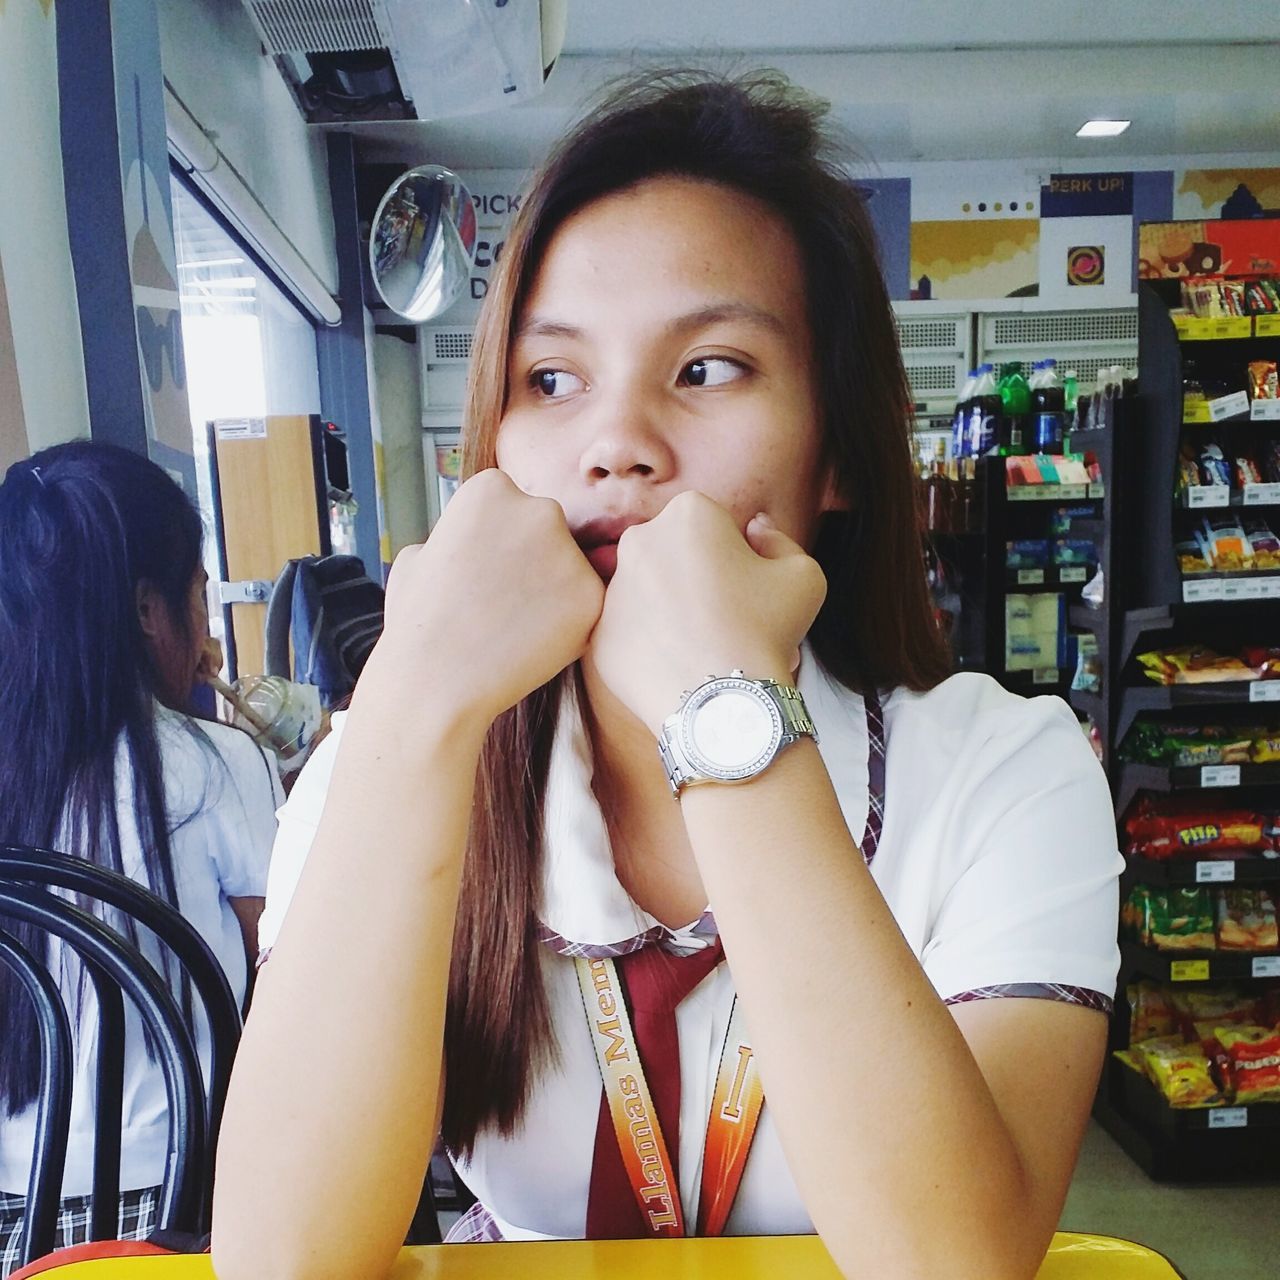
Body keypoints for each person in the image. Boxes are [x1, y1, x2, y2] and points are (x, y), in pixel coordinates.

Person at [213, 71, 1122, 1280]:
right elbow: (285, 1262)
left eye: (706, 368)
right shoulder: (387, 767)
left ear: (840, 449)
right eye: (551, 380)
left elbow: (951, 1264)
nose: (616, 441)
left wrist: (722, 704)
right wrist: (412, 705)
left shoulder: (1004, 772)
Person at [0, 441, 282, 1274]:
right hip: (174, 1216)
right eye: (199, 592)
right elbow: (288, 981)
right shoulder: (214, 763)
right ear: (149, 608)